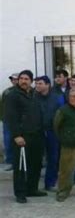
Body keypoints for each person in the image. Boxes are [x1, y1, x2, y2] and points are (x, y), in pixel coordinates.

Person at [4, 70, 46, 203]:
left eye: (26, 79)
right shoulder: (12, 95)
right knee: (21, 166)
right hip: (22, 136)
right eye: (21, 78)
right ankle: (20, 193)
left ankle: (32, 189)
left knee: (36, 164)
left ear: (31, 81)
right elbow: (9, 117)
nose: (23, 81)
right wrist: (16, 135)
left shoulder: (35, 94)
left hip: (37, 135)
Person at [34, 76, 65, 192]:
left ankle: (50, 183)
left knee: (53, 158)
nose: (37, 86)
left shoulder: (57, 98)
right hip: (37, 132)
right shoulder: (32, 97)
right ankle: (33, 185)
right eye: (36, 83)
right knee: (36, 159)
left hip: (53, 132)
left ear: (47, 85)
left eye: (40, 83)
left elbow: (62, 114)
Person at [0, 72, 18, 171]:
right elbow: (2, 106)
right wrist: (3, 117)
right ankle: (10, 162)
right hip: (8, 121)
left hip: (20, 121)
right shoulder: (6, 92)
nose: (14, 81)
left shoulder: (27, 91)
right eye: (12, 79)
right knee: (8, 141)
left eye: (16, 79)